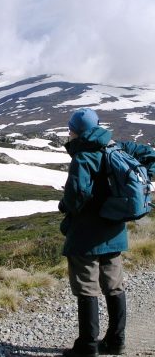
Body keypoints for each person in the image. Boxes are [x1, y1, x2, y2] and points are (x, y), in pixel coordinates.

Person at [58, 108, 155, 357]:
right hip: (114, 229)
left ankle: (88, 345)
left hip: (86, 233)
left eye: (70, 129)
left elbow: (77, 195)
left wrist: (65, 207)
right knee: (114, 285)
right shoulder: (118, 147)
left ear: (76, 130)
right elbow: (151, 155)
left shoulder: (83, 156)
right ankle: (116, 341)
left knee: (86, 287)